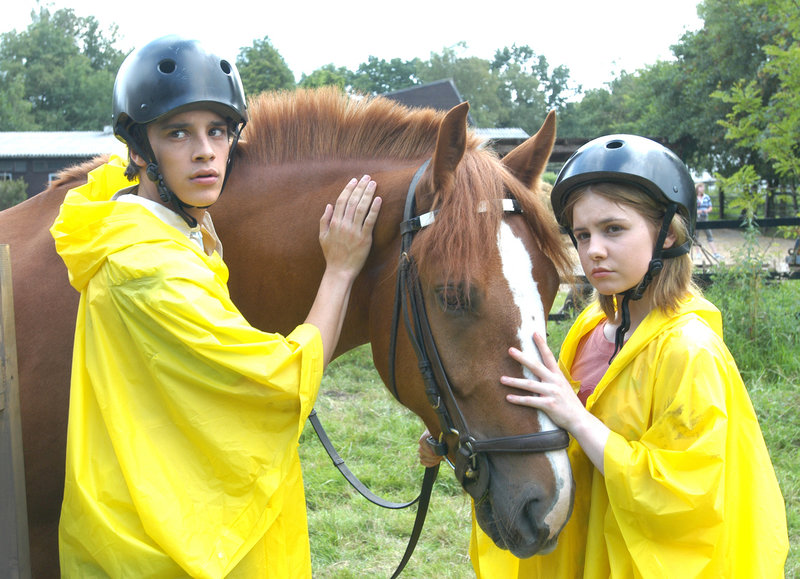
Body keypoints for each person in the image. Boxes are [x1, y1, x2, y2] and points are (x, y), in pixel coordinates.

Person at [50, 35, 381, 577]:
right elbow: (276, 383)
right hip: (165, 549)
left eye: (218, 131)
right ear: (139, 150)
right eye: (176, 132)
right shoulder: (149, 269)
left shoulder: (137, 228)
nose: (205, 151)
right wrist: (341, 270)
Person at [420, 135, 788, 577]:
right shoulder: (592, 326)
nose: (593, 249)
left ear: (667, 233)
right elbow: (546, 427)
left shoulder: (690, 351)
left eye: (614, 229)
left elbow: (685, 496)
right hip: (581, 551)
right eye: (582, 234)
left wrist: (577, 418)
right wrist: (460, 440)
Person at [695, 181, 721, 260]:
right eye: (701, 187)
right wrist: (697, 211)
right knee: (696, 236)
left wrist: (707, 210)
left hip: (705, 218)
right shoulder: (694, 198)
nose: (702, 188)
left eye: (703, 187)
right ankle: (698, 253)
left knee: (709, 235)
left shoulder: (707, 197)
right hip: (697, 218)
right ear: (697, 188)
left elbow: (710, 207)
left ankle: (715, 253)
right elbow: (692, 209)